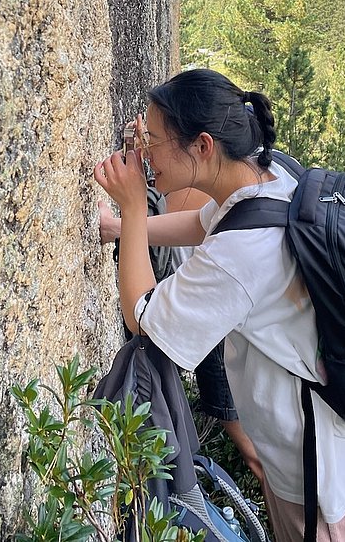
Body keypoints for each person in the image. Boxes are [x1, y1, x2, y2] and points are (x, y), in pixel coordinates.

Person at [94, 68, 345, 542]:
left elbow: (143, 317)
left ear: (202, 146)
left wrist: (132, 209)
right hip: (308, 451)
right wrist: (121, 229)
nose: (144, 153)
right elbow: (202, 224)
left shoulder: (243, 254)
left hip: (319, 478)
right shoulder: (267, 176)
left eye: (152, 140)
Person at [99, 184, 264, 482]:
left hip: (219, 329)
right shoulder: (231, 190)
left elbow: (143, 319)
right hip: (208, 325)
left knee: (255, 454)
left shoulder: (233, 191)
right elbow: (195, 224)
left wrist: (128, 214)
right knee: (253, 450)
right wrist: (117, 226)